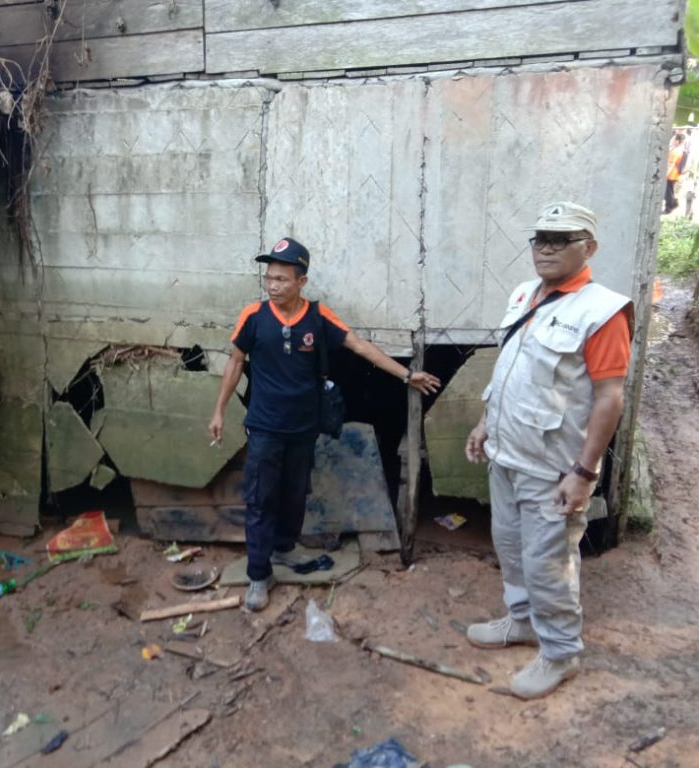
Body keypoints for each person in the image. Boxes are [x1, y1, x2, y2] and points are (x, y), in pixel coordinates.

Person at [208, 237, 441, 612]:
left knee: (295, 494)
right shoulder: (253, 316)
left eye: (281, 279)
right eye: (269, 278)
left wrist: (405, 374)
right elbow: (235, 363)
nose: (272, 285)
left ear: (301, 281)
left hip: (303, 429)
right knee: (260, 499)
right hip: (265, 429)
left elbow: (361, 347)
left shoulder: (318, 317)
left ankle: (284, 546)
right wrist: (219, 411)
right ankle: (258, 574)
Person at [464, 202, 633, 700]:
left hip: (553, 468)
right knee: (512, 550)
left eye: (562, 239)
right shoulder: (524, 294)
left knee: (549, 562)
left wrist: (583, 473)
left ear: (590, 248)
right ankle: (520, 621)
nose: (547, 248)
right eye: (540, 238)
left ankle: (561, 653)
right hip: (508, 455)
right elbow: (512, 371)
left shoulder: (601, 312)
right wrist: (484, 422)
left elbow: (609, 398)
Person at [665, 133, 686, 214]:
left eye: (673, 139)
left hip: (671, 174)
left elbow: (671, 164)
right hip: (674, 174)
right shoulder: (679, 150)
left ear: (677, 141)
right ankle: (673, 204)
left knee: (668, 193)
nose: (672, 140)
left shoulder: (676, 152)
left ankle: (670, 206)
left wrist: (666, 175)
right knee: (670, 192)